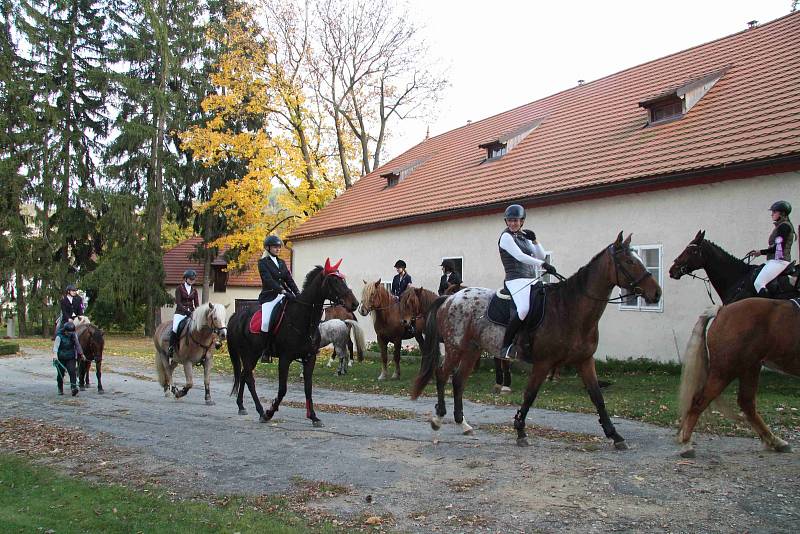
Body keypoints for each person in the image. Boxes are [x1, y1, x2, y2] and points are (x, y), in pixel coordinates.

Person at [497, 204, 557, 360]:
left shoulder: (523, 236)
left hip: (531, 279)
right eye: (510, 220)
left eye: (516, 220)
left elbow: (541, 255)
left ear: (522, 221)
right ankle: (506, 345)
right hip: (515, 279)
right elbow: (520, 257)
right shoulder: (506, 237)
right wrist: (543, 265)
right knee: (523, 309)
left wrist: (535, 240)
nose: (513, 223)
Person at [258, 235, 299, 362]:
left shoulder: (281, 262)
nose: (278, 249)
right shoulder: (263, 263)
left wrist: (297, 292)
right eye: (275, 247)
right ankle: (265, 350)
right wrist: (281, 290)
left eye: (279, 247)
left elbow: (289, 279)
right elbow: (268, 280)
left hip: (284, 294)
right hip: (269, 296)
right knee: (265, 322)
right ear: (268, 248)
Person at [749, 200, 796, 296]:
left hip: (780, 261)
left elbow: (778, 249)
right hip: (774, 260)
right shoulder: (780, 226)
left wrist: (760, 252)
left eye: (774, 212)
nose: (772, 214)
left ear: (782, 213)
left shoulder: (784, 226)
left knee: (758, 283)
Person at [169, 269, 199, 363]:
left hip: (192, 313)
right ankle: (171, 348)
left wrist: (197, 312)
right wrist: (187, 312)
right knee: (175, 328)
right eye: (190, 279)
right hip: (180, 313)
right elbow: (178, 302)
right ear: (185, 279)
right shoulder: (179, 288)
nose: (192, 281)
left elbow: (197, 303)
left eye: (193, 279)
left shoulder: (194, 290)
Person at [53, 321, 83, 396]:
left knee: (72, 371)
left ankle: (73, 388)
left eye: (71, 332)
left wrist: (81, 353)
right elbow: (55, 348)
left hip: (71, 357)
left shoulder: (73, 335)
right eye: (69, 332)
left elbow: (77, 345)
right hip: (61, 357)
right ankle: (60, 388)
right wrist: (55, 356)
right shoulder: (59, 337)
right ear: (65, 331)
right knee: (61, 373)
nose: (70, 334)